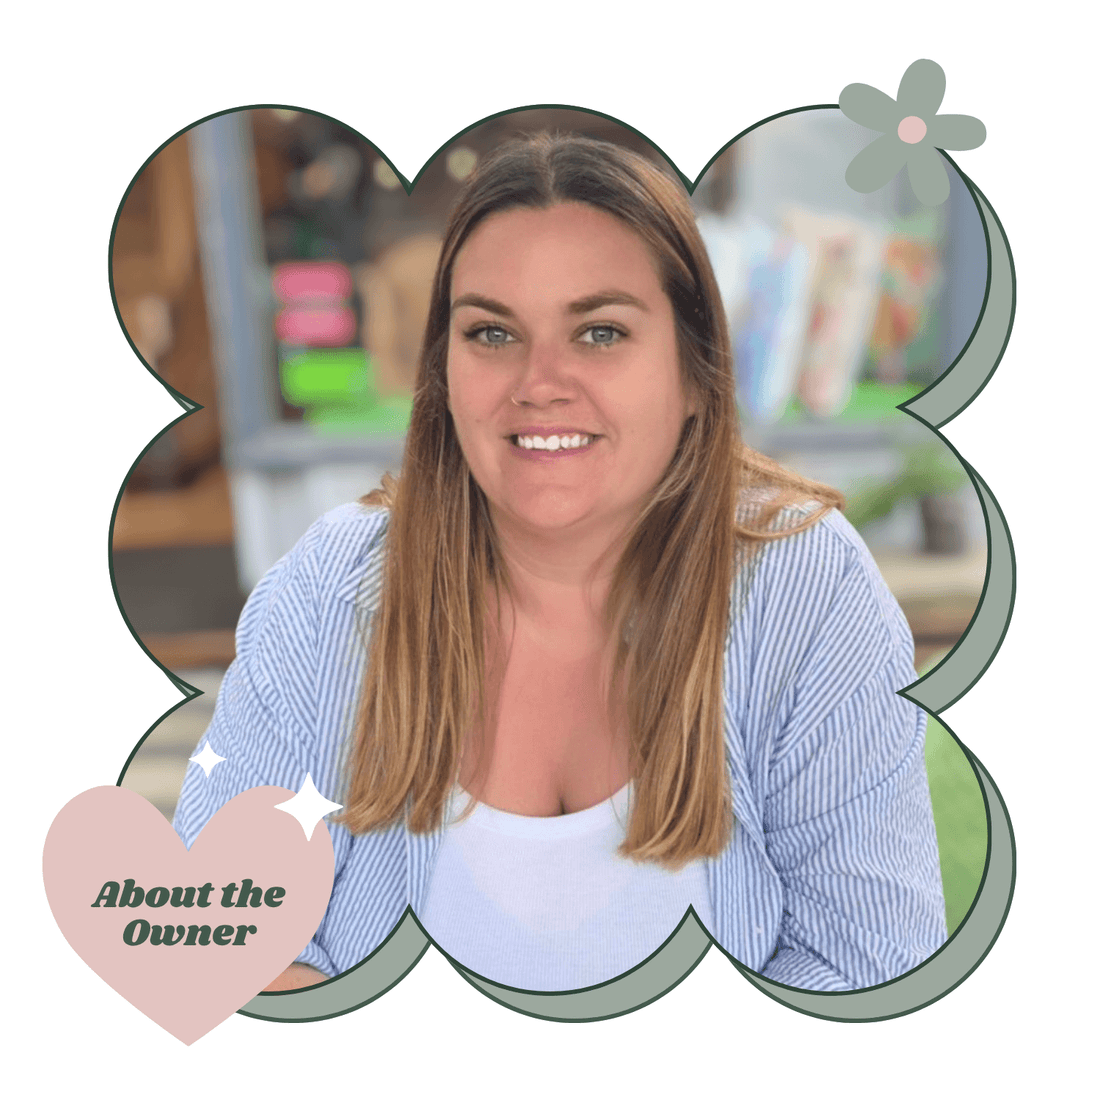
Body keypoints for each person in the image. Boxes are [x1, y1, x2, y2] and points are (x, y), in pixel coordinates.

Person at [173, 132, 946, 994]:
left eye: (601, 332)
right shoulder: (338, 588)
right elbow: (212, 940)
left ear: (696, 373)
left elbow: (873, 972)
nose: (540, 382)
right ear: (442, 373)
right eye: (493, 332)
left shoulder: (803, 586)